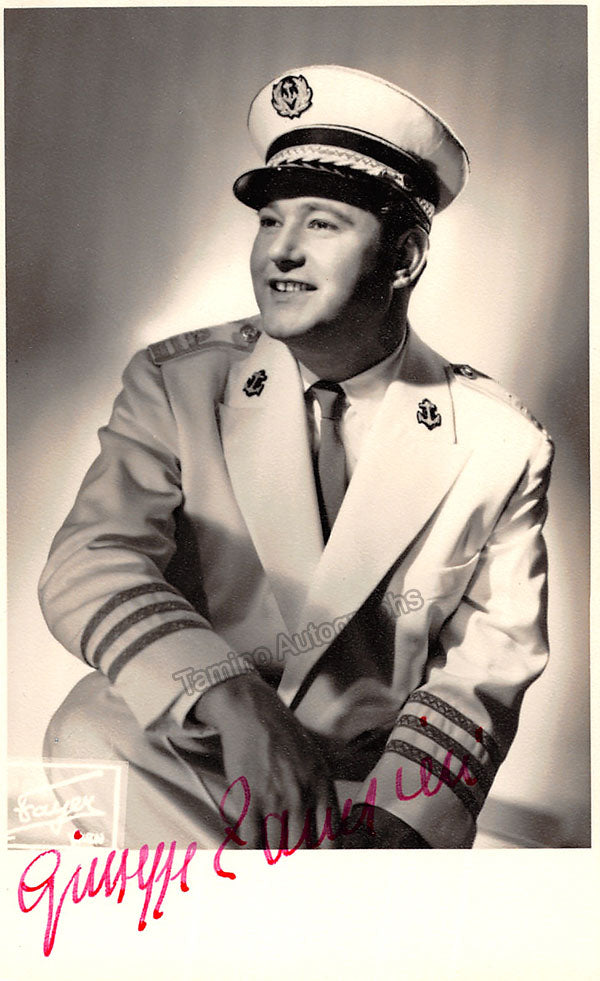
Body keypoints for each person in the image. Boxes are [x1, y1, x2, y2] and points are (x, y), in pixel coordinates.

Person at [39, 65, 554, 851]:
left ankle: (309, 897)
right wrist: (235, 699)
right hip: (215, 755)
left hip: (370, 787)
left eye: (322, 224)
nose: (280, 252)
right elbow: (92, 560)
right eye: (270, 220)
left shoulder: (499, 440)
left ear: (406, 256)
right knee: (89, 730)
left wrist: (395, 823)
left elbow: (488, 657)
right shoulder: (180, 382)